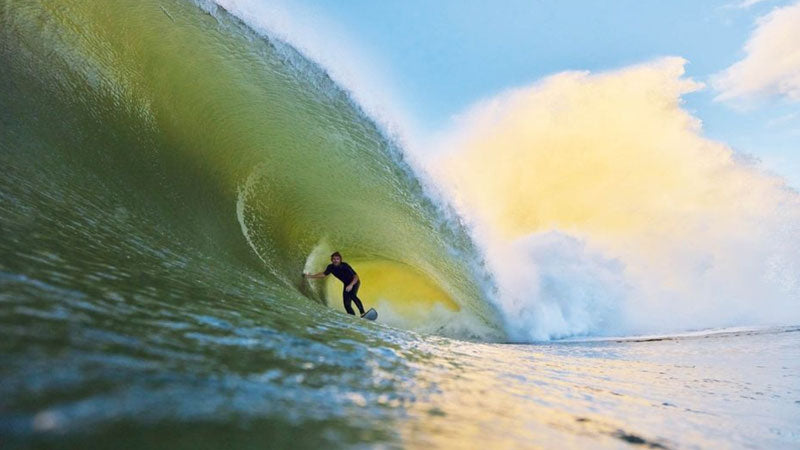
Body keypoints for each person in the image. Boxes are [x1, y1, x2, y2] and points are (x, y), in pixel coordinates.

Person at [304, 251, 367, 316]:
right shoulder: (330, 267)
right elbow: (323, 274)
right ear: (331, 260)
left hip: (354, 282)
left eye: (337, 259)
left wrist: (351, 285)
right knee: (346, 304)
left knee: (352, 295)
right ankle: (352, 316)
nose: (335, 260)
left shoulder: (344, 266)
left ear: (340, 260)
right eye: (334, 259)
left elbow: (356, 277)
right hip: (346, 284)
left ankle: (363, 313)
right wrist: (310, 276)